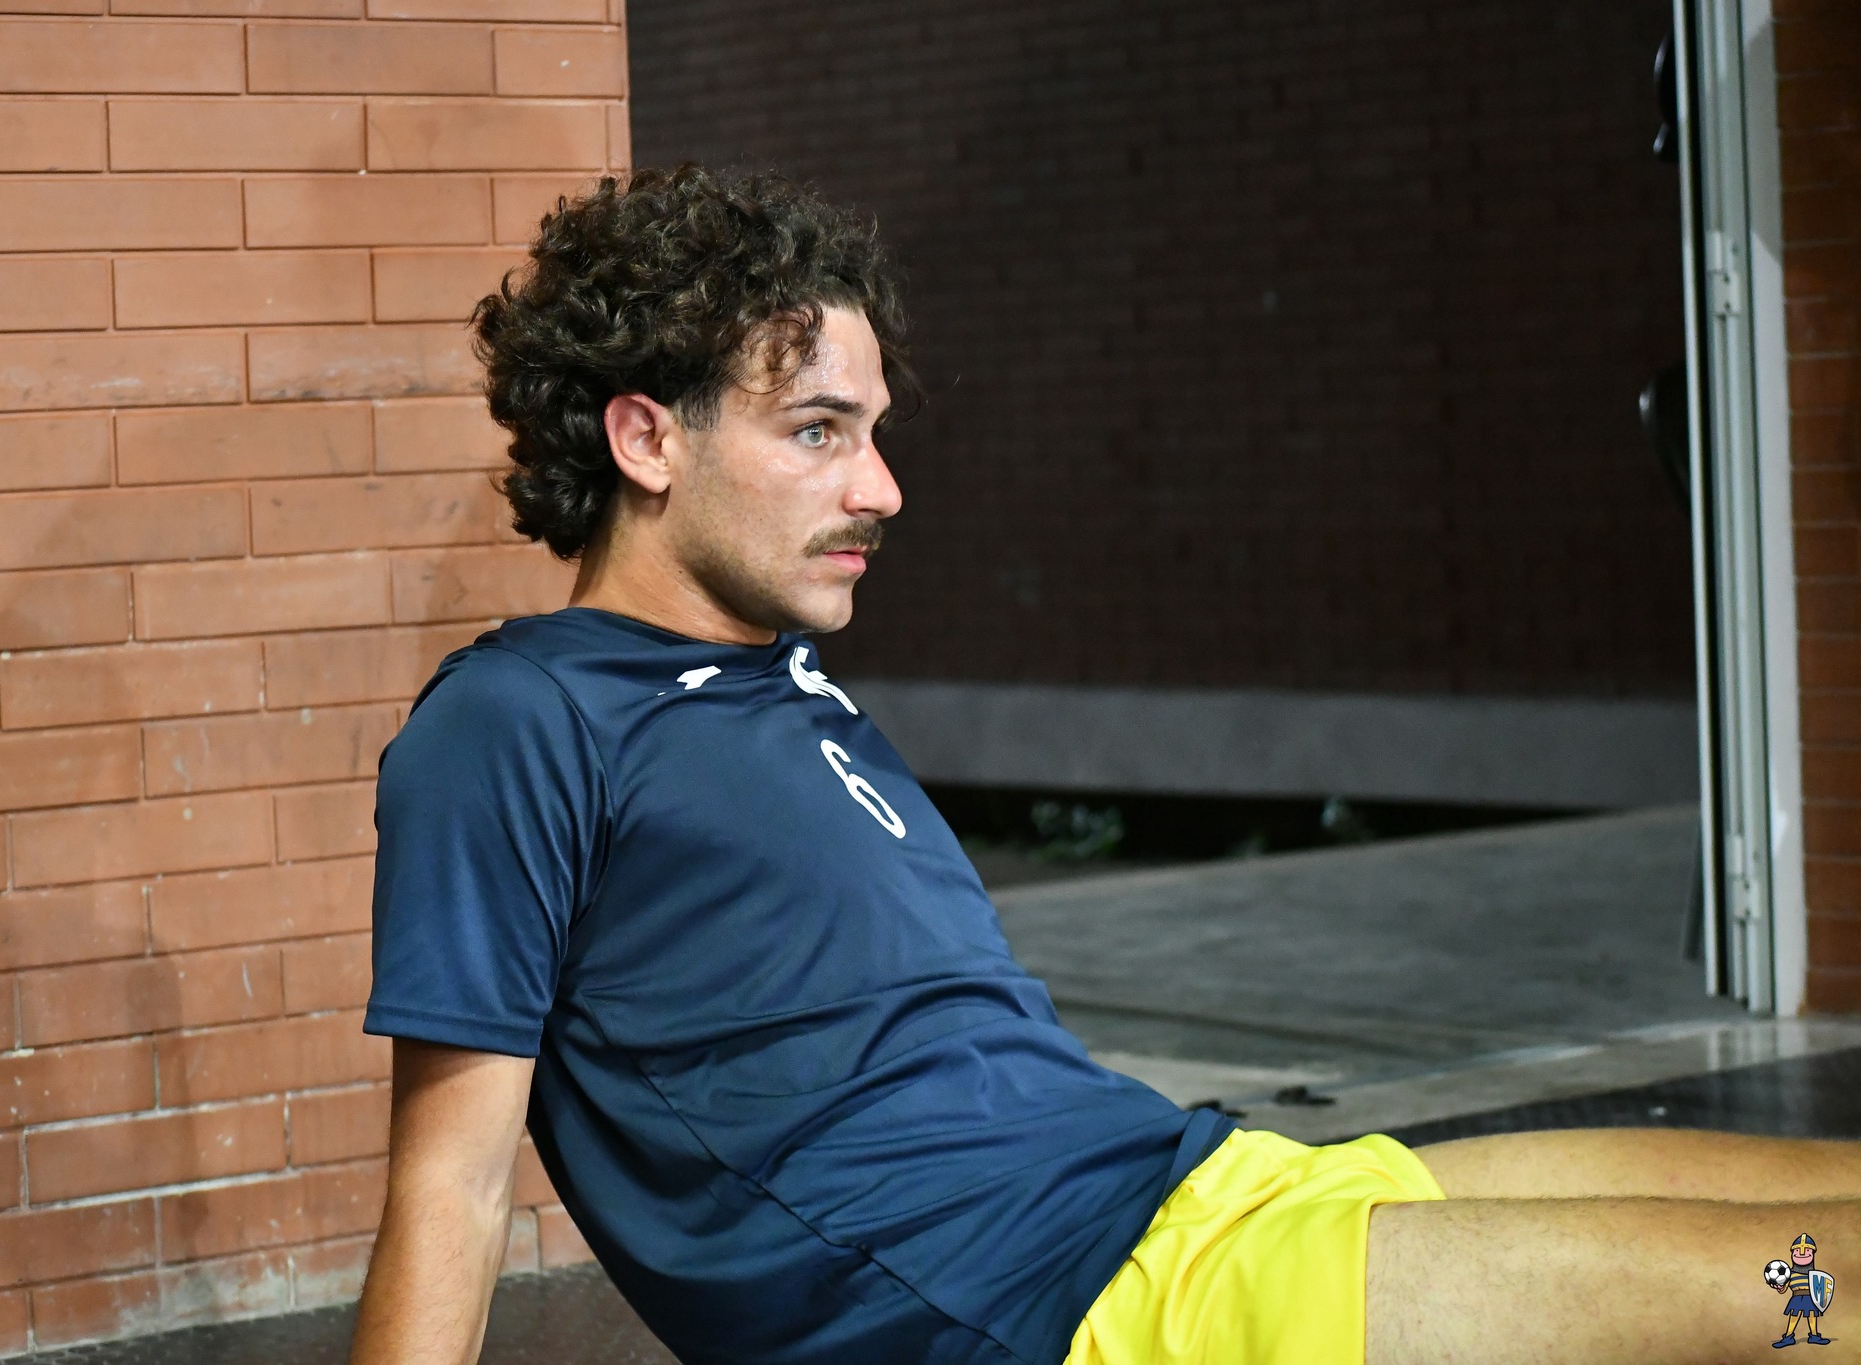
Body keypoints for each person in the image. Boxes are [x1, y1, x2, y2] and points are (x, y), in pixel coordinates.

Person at [348, 166, 1861, 1365]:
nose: (881, 487)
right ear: (646, 440)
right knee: (1804, 1301)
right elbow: (453, 1185)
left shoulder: (783, 690)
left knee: (1838, 1206)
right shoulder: (522, 719)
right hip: (1097, 1307)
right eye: (818, 432)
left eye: (874, 432)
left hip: (1207, 1185)